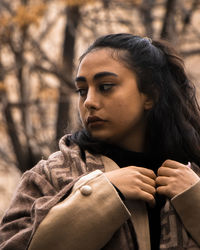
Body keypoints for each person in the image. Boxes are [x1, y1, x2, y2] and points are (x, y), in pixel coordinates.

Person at [0, 33, 200, 250]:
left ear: (150, 95)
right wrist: (102, 195)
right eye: (82, 91)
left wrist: (195, 200)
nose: (89, 102)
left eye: (105, 87)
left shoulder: (194, 171)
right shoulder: (47, 178)